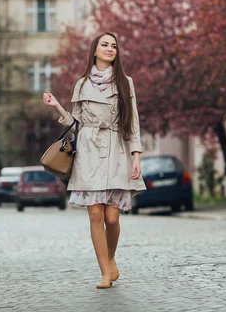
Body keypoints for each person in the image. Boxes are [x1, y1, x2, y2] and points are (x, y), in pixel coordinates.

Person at [42, 32, 146, 289]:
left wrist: (136, 155)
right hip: (88, 153)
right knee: (96, 216)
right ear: (95, 51)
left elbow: (133, 122)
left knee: (112, 217)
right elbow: (76, 126)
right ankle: (104, 273)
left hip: (116, 150)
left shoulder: (125, 82)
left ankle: (111, 259)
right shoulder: (81, 84)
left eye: (114, 46)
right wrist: (57, 107)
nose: (110, 49)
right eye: (105, 45)